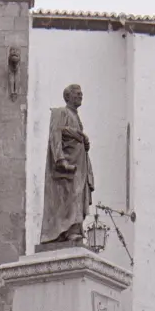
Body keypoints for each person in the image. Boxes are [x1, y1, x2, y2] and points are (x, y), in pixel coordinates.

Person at [39, 83, 95, 247]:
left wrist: (84, 142)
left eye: (81, 93)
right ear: (68, 96)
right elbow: (55, 134)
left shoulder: (76, 116)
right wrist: (61, 159)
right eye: (77, 93)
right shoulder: (60, 112)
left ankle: (74, 230)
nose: (80, 95)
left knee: (77, 195)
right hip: (68, 164)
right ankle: (65, 231)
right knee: (69, 195)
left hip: (79, 163)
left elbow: (73, 136)